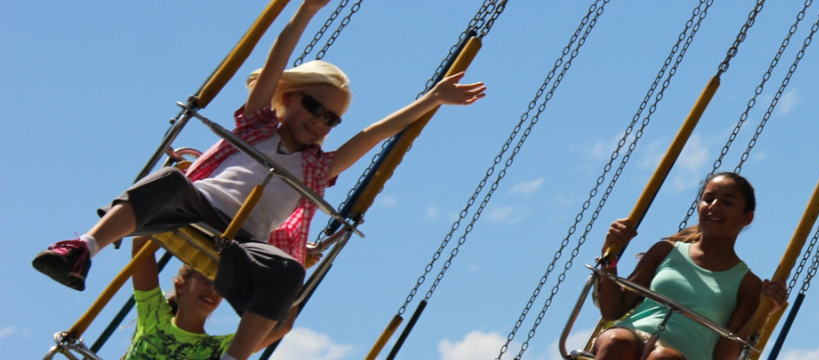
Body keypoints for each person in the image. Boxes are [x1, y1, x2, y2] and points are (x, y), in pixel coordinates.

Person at [30, 0, 487, 358]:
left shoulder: (317, 167)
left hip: (243, 243)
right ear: (288, 97)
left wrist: (431, 99)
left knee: (288, 271)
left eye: (332, 120)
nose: (321, 122)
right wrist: (306, 11)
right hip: (197, 208)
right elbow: (276, 62)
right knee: (168, 180)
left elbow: (373, 135)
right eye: (313, 106)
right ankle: (80, 250)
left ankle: (233, 357)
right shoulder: (255, 126)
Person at [591, 173, 789, 360]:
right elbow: (612, 309)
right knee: (615, 342)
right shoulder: (665, 251)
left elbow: (725, 354)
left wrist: (763, 312)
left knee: (664, 358)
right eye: (708, 199)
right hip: (633, 334)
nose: (715, 206)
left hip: (686, 354)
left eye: (727, 202)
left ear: (747, 218)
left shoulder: (748, 285)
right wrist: (611, 254)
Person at [122, 237, 306, 359]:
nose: (213, 290)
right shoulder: (154, 315)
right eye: (206, 279)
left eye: (220, 285)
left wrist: (295, 273)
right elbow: (141, 244)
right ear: (180, 285)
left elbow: (283, 326)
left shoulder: (219, 347)